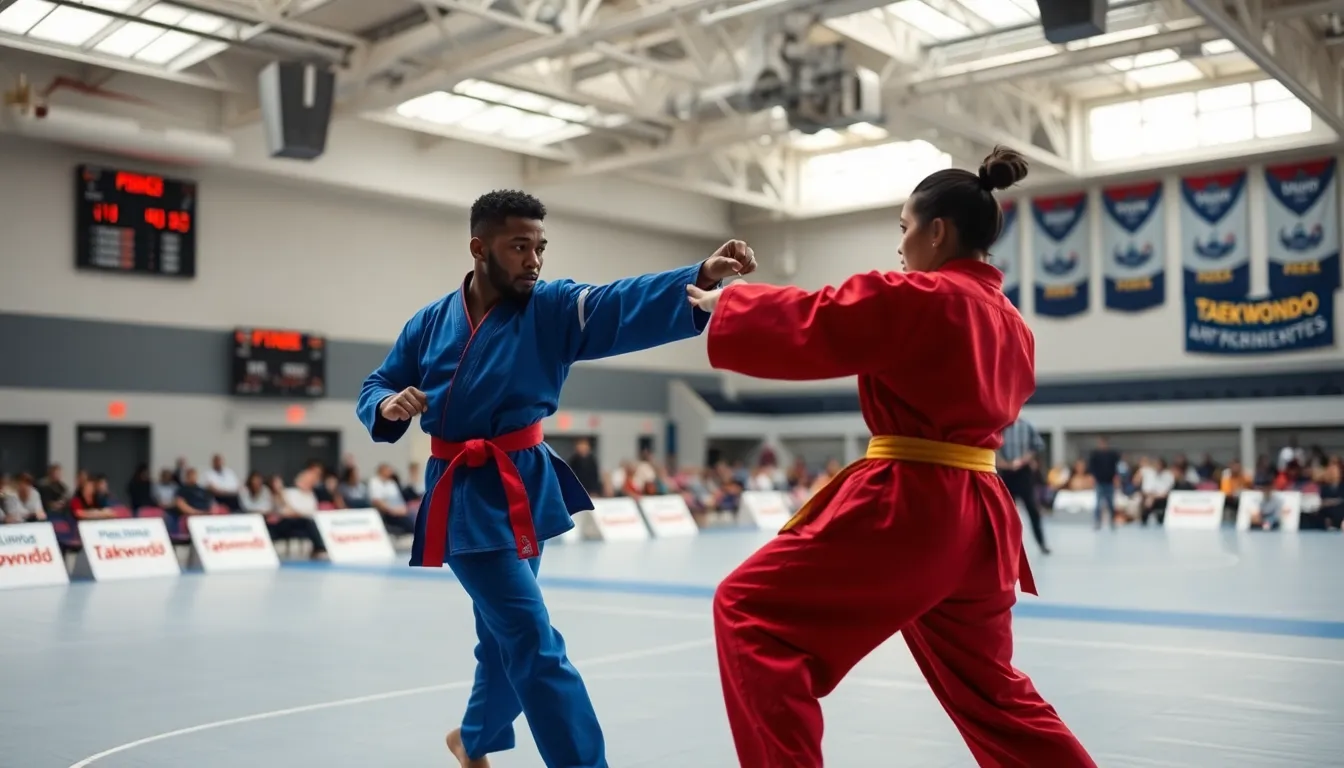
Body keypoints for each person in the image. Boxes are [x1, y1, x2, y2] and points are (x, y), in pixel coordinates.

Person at [686, 147, 1096, 767]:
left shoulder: (924, 297)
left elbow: (825, 316)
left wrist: (733, 304)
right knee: (994, 694)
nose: (901, 247)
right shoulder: (1013, 323)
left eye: (905, 229)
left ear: (937, 231)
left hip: (913, 508)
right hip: (982, 520)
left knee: (749, 613)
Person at [355, 189, 755, 768]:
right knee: (532, 641)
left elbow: (619, 302)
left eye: (540, 247)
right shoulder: (430, 323)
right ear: (478, 248)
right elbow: (376, 383)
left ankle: (471, 739)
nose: (534, 260)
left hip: (525, 484)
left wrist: (698, 275)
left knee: (502, 639)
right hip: (464, 493)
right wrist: (388, 404)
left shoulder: (552, 308)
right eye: (520, 247)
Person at [999, 417, 1049, 554]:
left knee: (1032, 509)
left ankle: (1042, 543)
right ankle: (1007, 546)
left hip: (1023, 473)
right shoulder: (1001, 426)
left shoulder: (1027, 425)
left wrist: (1022, 460)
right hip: (1006, 472)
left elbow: (1037, 446)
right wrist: (1003, 463)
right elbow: (993, 447)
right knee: (1006, 512)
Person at [1086, 436, 1120, 529]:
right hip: (1099, 482)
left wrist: (1116, 478)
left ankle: (1112, 521)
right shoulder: (1095, 455)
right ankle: (1097, 521)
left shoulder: (1112, 455)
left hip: (1109, 482)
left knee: (1110, 504)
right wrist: (1092, 478)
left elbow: (1116, 468)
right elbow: (1091, 468)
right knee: (1098, 504)